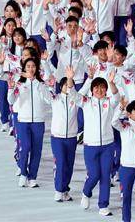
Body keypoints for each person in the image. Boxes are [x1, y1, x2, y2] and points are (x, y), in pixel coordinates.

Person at [70, 72, 121, 216]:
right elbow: (73, 94)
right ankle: (86, 192)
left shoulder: (109, 102)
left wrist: (112, 83)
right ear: (92, 90)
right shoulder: (86, 102)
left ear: (106, 89)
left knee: (105, 176)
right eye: (96, 88)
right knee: (94, 174)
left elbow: (117, 97)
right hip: (91, 145)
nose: (99, 90)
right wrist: (70, 78)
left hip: (108, 145)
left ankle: (103, 205)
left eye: (102, 87)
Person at [7, 57, 53, 188]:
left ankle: (33, 177)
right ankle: (23, 173)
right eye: (28, 66)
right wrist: (11, 89)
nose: (31, 69)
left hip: (38, 121)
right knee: (25, 147)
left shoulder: (41, 84)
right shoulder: (20, 84)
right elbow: (11, 101)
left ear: (36, 68)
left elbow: (49, 100)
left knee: (36, 150)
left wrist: (36, 82)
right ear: (24, 69)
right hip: (23, 121)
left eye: (33, 66)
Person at [47, 67, 80, 202]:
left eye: (69, 84)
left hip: (71, 137)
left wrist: (89, 77)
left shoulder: (76, 100)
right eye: (65, 85)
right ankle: (58, 190)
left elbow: (84, 89)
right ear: (60, 87)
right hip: (57, 138)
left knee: (69, 165)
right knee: (60, 163)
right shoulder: (55, 99)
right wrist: (45, 63)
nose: (67, 87)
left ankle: (65, 189)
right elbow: (45, 91)